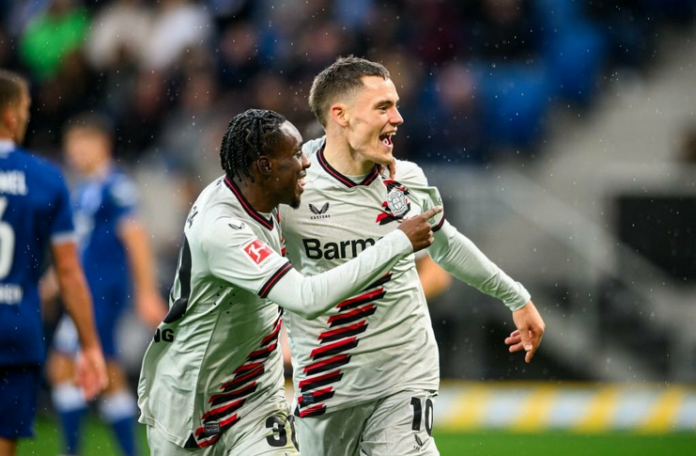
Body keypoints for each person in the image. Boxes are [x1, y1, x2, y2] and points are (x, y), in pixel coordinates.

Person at [278, 56, 546, 456]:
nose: (398, 118)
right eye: (383, 107)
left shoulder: (405, 180)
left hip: (402, 373)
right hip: (325, 380)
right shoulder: (289, 186)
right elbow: (259, 276)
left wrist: (516, 296)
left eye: (397, 105)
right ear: (341, 115)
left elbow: (448, 245)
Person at [137, 109, 441, 455]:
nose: (306, 163)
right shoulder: (222, 228)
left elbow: (324, 155)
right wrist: (397, 242)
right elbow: (305, 297)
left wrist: (369, 153)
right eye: (295, 155)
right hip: (190, 405)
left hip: (257, 400)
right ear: (265, 166)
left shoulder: (263, 193)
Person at [44, 113, 167, 456]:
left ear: (102, 144)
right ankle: (129, 451)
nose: (75, 151)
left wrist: (145, 291)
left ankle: (73, 451)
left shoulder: (117, 185)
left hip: (101, 293)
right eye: (71, 145)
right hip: (89, 292)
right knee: (106, 372)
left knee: (64, 367)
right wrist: (51, 285)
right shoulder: (86, 189)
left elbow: (137, 238)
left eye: (81, 143)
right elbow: (79, 248)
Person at [0, 70, 107, 456]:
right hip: (14, 327)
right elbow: (68, 269)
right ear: (12, 116)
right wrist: (90, 345)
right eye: (26, 108)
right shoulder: (45, 178)